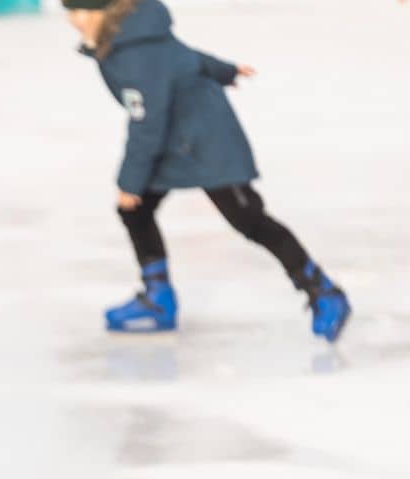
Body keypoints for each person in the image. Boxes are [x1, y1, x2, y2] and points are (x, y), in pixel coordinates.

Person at [63, 0, 352, 341]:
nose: (72, 21)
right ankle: (158, 298)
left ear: (99, 13)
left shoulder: (134, 51)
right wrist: (225, 70)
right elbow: (185, 59)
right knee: (136, 212)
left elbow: (147, 124)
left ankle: (323, 290)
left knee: (250, 221)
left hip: (208, 141)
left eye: (76, 12)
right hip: (176, 140)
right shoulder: (134, 34)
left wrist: (130, 182)